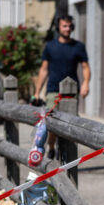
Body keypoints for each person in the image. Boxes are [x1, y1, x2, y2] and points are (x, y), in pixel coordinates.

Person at [33, 14, 90, 159]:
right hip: (53, 90)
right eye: (65, 26)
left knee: (70, 123)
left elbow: (85, 67)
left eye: (70, 26)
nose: (67, 29)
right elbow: (44, 69)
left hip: (71, 92)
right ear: (59, 27)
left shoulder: (78, 46)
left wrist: (85, 83)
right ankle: (52, 148)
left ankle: (67, 155)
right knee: (52, 123)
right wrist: (37, 92)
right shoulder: (50, 46)